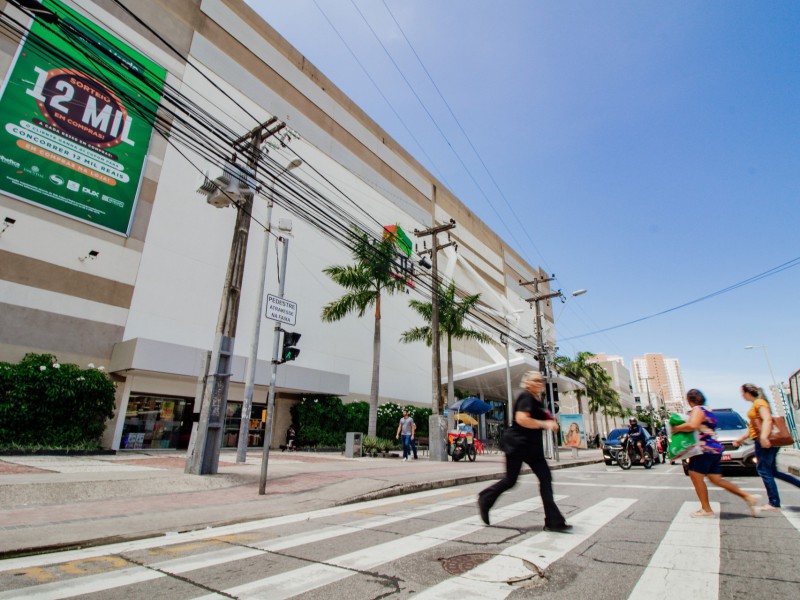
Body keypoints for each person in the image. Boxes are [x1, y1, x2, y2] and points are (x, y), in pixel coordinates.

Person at [477, 371, 571, 532]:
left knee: (546, 478)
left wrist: (551, 422)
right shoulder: (526, 397)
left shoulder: (537, 400)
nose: (539, 383)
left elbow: (546, 417)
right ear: (527, 383)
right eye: (535, 380)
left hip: (533, 449)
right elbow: (522, 419)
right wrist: (545, 424)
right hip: (517, 445)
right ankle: (485, 498)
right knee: (511, 480)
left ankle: (554, 521)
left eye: (540, 380)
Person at [671, 388, 760, 518]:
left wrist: (676, 428)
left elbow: (693, 425)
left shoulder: (697, 410)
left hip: (703, 449)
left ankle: (706, 509)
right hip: (714, 449)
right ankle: (748, 497)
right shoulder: (708, 410)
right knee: (716, 479)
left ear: (690, 400)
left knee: (695, 475)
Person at [734, 383, 800, 511]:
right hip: (761, 439)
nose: (742, 395)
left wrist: (764, 437)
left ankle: (774, 502)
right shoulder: (757, 404)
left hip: (764, 441)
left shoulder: (760, 403)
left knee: (764, 470)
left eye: (742, 392)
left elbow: (768, 419)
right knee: (773, 471)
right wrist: (741, 439)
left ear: (748, 392)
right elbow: (754, 425)